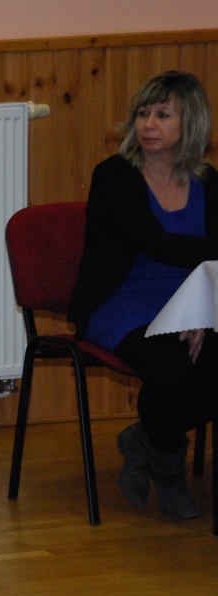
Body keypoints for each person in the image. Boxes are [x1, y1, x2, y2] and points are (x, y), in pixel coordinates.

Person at [69, 71, 218, 520]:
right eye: (143, 113)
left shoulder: (208, 180)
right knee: (172, 371)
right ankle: (169, 470)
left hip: (192, 301)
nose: (148, 124)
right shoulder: (114, 176)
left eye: (163, 115)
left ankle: (143, 438)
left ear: (190, 123)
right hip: (123, 302)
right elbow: (156, 244)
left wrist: (203, 310)